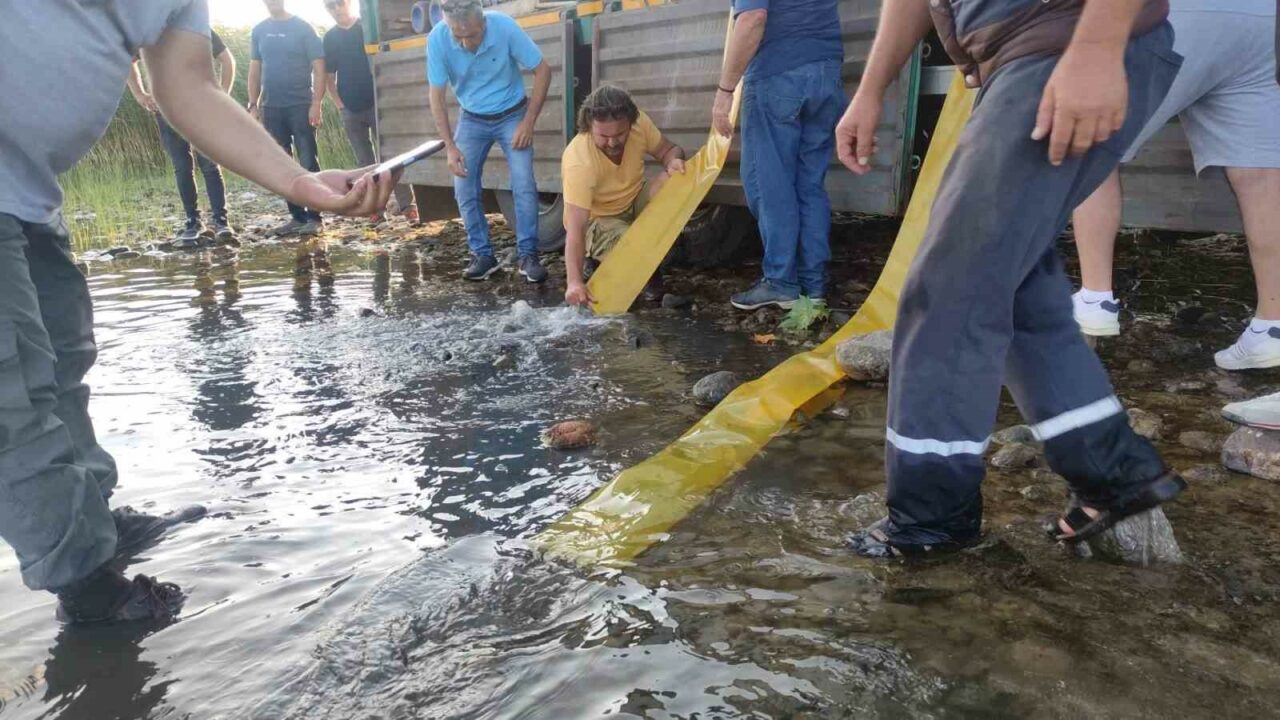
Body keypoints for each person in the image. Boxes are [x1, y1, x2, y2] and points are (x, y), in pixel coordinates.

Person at [0, 0, 397, 624]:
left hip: (28, 192)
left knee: (63, 360)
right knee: (12, 397)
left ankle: (93, 519)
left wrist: (301, 182)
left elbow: (187, 85)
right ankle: (89, 590)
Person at [834, 0, 1186, 557]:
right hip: (1021, 60)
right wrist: (871, 87)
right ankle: (1112, 465)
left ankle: (931, 518)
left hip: (1062, 43)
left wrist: (1095, 47)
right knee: (1012, 279)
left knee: (951, 287)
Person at [1069, 1, 1280, 373]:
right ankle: (1273, 325)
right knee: (1260, 176)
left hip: (1178, 12)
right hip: (1263, 18)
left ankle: (1094, 297)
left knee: (1092, 140)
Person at [712, 0, 844, 311]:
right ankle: (813, 287)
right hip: (827, 72)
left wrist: (725, 91)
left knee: (769, 184)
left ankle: (781, 282)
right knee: (809, 184)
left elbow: (753, 19)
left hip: (778, 75)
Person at [428, 0, 553, 283]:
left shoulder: (504, 27)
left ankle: (528, 256)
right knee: (463, 184)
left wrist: (528, 122)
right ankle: (482, 255)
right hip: (471, 118)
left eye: (471, 35)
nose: (464, 43)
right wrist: (450, 146)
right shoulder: (437, 39)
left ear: (483, 22)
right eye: (456, 36)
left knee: (523, 184)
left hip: (512, 114)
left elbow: (543, 70)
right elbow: (436, 96)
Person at [561, 86, 686, 307]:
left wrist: (673, 162)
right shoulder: (578, 159)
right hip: (596, 220)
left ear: (631, 123)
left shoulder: (640, 124)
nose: (612, 142)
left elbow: (670, 150)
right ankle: (615, 261)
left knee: (675, 179)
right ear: (589, 127)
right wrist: (574, 282)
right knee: (633, 245)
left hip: (633, 201)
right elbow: (576, 227)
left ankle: (637, 256)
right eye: (603, 136)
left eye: (619, 134)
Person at [126, 32, 236, 248]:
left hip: (201, 105)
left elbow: (227, 60)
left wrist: (221, 95)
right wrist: (139, 94)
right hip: (166, 108)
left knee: (209, 164)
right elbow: (128, 62)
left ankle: (221, 221)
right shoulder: (146, 29)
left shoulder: (197, 26)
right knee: (182, 166)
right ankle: (193, 221)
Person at [322, 0, 417, 222]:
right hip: (350, 109)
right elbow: (328, 77)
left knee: (392, 158)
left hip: (377, 103)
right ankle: (375, 210)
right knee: (364, 163)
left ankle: (407, 206)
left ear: (348, 4)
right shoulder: (330, 38)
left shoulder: (366, 28)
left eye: (339, 3)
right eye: (330, 5)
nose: (336, 9)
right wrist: (340, 105)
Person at [249, 0, 327, 237]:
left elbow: (319, 67)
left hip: (301, 104)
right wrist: (253, 104)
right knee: (282, 164)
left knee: (307, 161)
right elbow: (255, 69)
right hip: (272, 106)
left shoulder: (302, 27)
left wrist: (316, 103)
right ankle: (296, 217)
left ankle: (315, 218)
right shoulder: (259, 30)